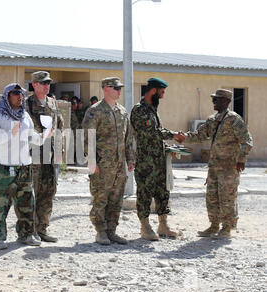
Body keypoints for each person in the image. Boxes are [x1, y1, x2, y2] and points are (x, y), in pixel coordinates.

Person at [0, 83, 53, 249]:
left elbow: (33, 139)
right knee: (2, 203)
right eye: (15, 93)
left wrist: (44, 135)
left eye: (21, 93)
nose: (20, 96)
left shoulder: (25, 117)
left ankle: (25, 234)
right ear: (7, 95)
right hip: (5, 166)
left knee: (26, 202)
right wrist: (11, 133)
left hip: (24, 165)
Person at [181, 89, 253, 239]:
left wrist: (241, 159)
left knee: (227, 198)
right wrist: (182, 137)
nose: (214, 102)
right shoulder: (212, 120)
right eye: (213, 99)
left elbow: (247, 141)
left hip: (229, 167)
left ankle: (227, 228)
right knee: (212, 197)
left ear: (226, 101)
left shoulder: (234, 119)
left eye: (217, 99)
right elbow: (199, 135)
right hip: (214, 166)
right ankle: (214, 225)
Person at [130, 78, 185, 241]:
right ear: (153, 91)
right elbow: (151, 132)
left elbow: (157, 132)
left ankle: (163, 225)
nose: (162, 96)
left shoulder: (153, 110)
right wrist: (173, 135)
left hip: (159, 159)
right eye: (161, 92)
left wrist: (169, 147)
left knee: (162, 191)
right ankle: (145, 227)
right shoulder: (139, 110)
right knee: (145, 193)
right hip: (146, 160)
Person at [82, 77, 135, 245]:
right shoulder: (95, 111)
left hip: (119, 164)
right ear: (105, 88)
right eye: (115, 88)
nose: (119, 91)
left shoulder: (122, 111)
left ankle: (112, 230)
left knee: (116, 198)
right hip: (102, 164)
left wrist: (130, 158)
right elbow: (88, 138)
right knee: (100, 198)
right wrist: (92, 162)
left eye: (120, 88)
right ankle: (100, 232)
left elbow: (129, 138)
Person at [26, 71, 64, 242]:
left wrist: (60, 150)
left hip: (50, 155)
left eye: (48, 83)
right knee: (32, 192)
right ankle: (30, 230)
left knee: (48, 191)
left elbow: (60, 126)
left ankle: (42, 228)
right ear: (34, 84)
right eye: (43, 83)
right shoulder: (27, 104)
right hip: (33, 155)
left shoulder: (52, 103)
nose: (47, 86)